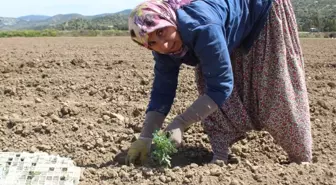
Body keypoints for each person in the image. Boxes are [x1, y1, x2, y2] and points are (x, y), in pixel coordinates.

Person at [125, 0, 313, 165]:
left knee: (273, 83)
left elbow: (221, 85)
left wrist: (181, 122)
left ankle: (301, 158)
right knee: (208, 83)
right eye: (152, 42)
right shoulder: (165, 50)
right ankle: (221, 154)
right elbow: (162, 90)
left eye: (161, 31)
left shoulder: (201, 26)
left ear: (168, 19)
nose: (164, 44)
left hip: (261, 8)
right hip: (225, 20)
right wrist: (146, 136)